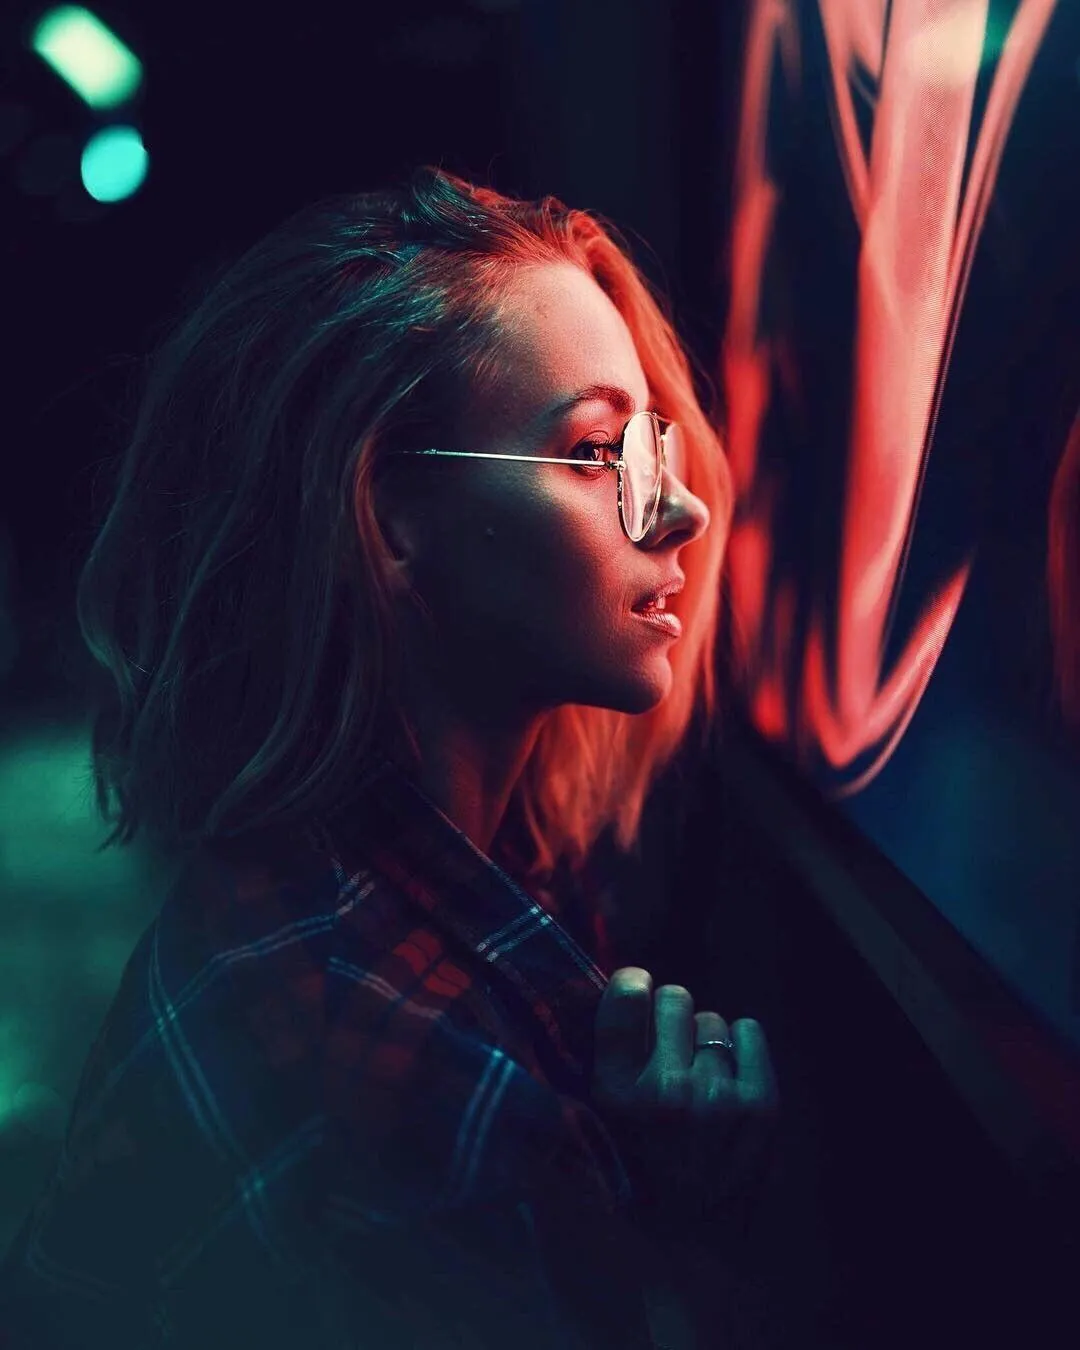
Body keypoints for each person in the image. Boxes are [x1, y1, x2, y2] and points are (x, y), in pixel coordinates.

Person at [0, 167, 778, 1348]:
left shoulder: (362, 892)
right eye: (593, 452)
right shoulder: (420, 1094)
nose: (679, 513)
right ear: (391, 514)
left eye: (655, 448)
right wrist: (672, 1223)